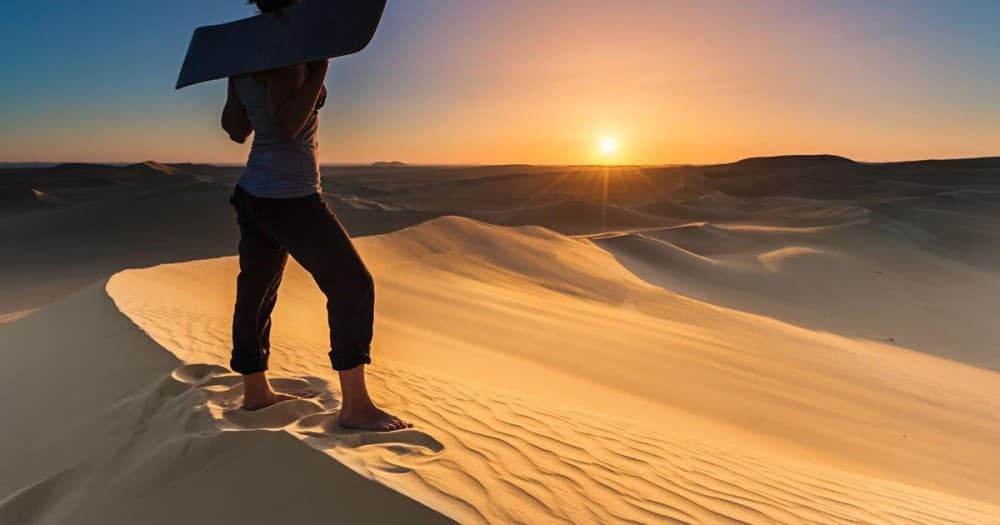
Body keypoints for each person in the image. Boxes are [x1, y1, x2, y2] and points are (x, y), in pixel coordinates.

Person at [220, 0, 409, 431]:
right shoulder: (291, 52)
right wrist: (319, 69)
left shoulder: (245, 54)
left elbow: (235, 129)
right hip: (289, 195)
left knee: (255, 291)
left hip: (253, 192)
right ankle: (356, 406)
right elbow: (287, 124)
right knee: (352, 284)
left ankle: (255, 392)